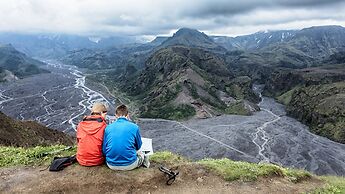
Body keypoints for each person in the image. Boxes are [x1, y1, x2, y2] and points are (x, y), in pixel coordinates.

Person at [103, 104, 149, 170]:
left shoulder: (108, 128)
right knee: (142, 151)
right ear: (127, 115)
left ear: (116, 115)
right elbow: (138, 146)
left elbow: (104, 149)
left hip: (111, 164)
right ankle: (146, 165)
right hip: (130, 164)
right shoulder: (134, 127)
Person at [76, 102, 107, 166]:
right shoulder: (104, 126)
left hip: (81, 159)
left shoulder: (80, 125)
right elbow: (105, 145)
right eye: (105, 113)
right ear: (102, 113)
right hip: (97, 160)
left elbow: (78, 141)